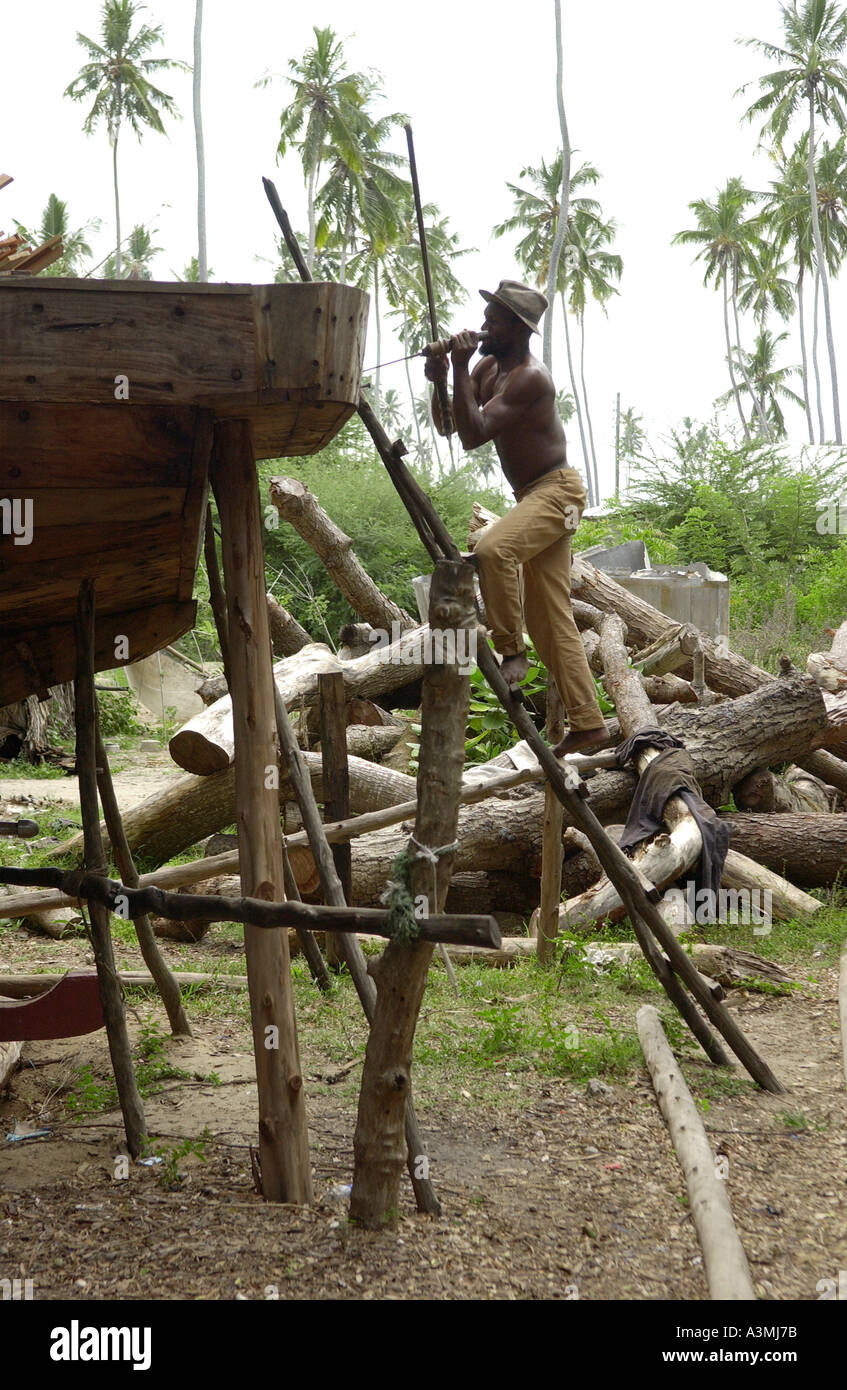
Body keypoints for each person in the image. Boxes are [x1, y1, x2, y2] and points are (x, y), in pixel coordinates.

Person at [425, 278, 610, 757]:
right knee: (552, 622)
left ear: (519, 329)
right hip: (532, 493)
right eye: (485, 318)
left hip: (559, 492)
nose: (483, 327)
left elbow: (474, 435)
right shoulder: (487, 367)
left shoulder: (529, 376)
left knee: (492, 547)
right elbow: (451, 426)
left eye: (495, 320)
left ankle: (511, 650)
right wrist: (441, 378)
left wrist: (460, 365)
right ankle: (590, 726)